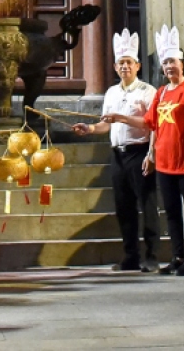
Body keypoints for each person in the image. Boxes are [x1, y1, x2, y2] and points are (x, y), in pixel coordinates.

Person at [72, 29, 159, 273]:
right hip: (118, 154)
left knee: (148, 204)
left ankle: (152, 256)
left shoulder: (147, 91)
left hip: (140, 151)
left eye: (129, 63)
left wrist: (151, 154)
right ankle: (130, 255)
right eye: (121, 63)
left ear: (137, 65)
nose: (125, 67)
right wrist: (89, 128)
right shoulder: (111, 92)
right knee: (124, 207)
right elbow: (105, 124)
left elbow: (152, 124)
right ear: (114, 66)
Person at [143, 25, 184, 276]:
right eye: (166, 62)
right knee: (171, 211)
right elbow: (154, 126)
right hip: (164, 161)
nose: (169, 66)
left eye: (173, 61)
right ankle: (178, 256)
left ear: (183, 63)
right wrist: (150, 154)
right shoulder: (160, 92)